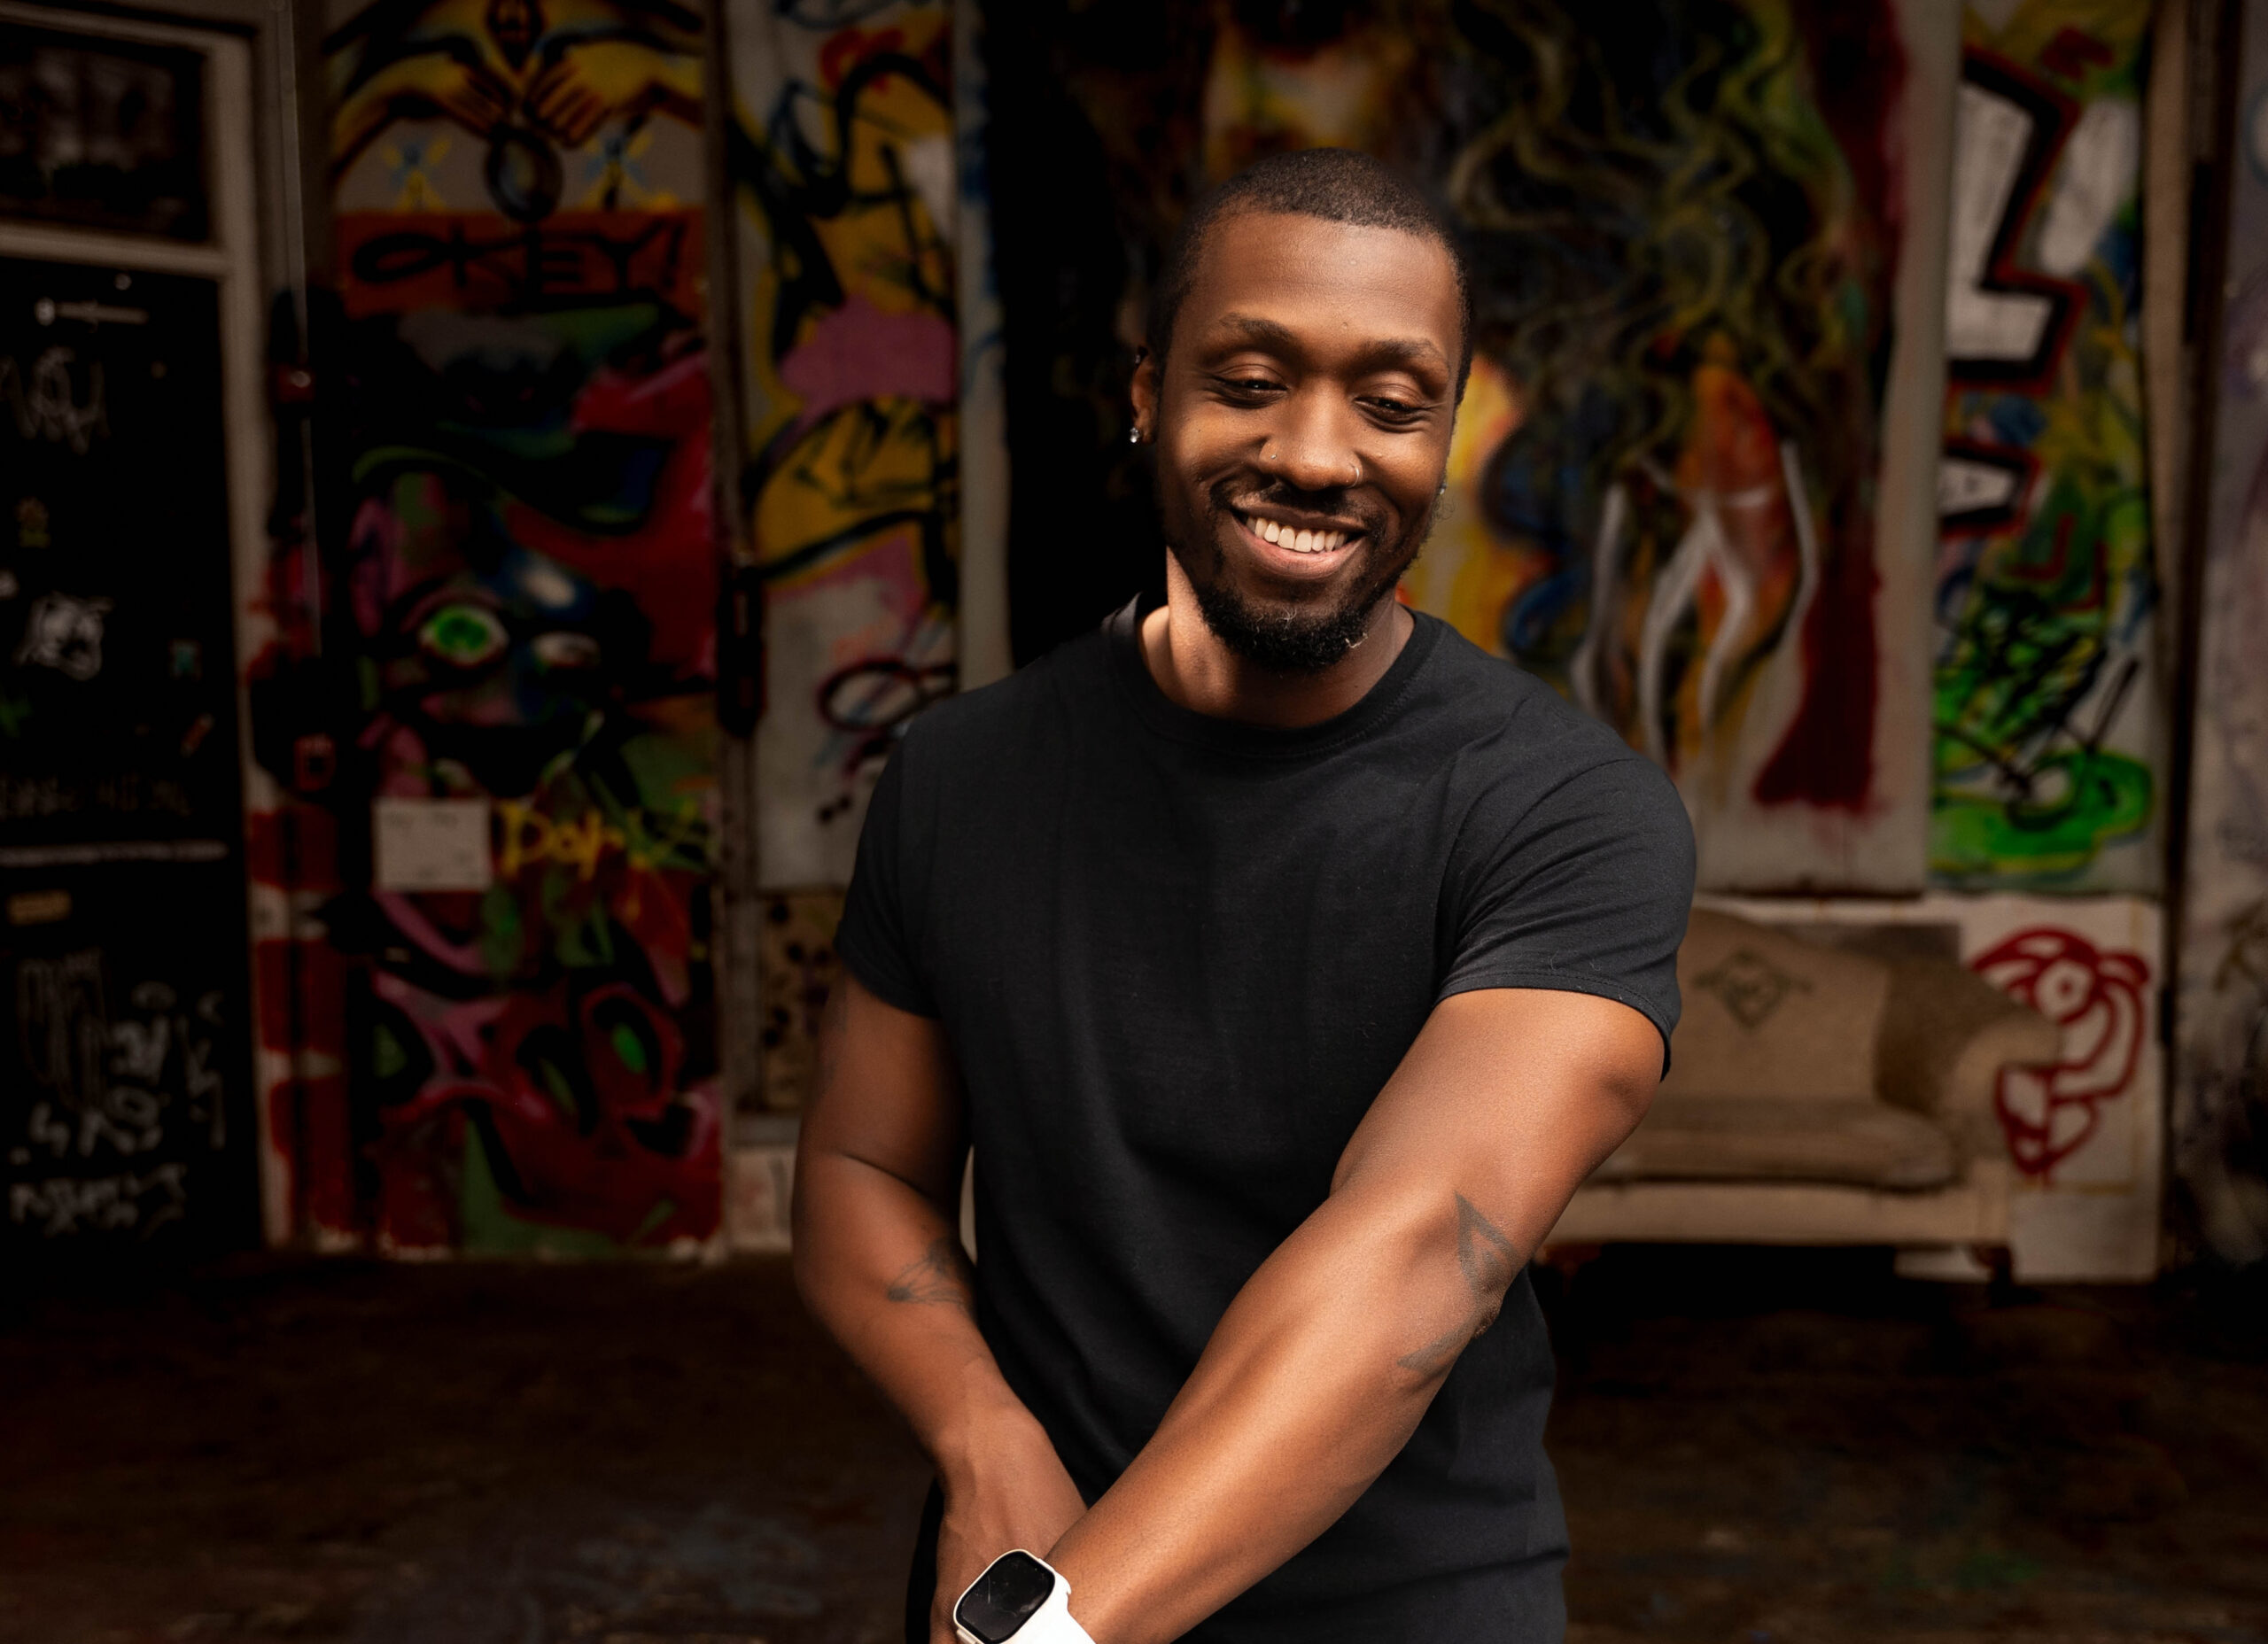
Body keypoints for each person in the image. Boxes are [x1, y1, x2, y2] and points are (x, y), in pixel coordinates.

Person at [791, 148, 1694, 1644]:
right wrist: (986, 1441)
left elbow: (1415, 1259)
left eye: (1393, 404)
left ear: (1449, 434)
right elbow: (862, 1174)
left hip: (1385, 1615)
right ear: (1149, 391)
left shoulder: (1567, 813)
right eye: (1253, 378)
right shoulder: (959, 775)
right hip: (1020, 1576)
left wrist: (1057, 1630)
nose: (1322, 455)